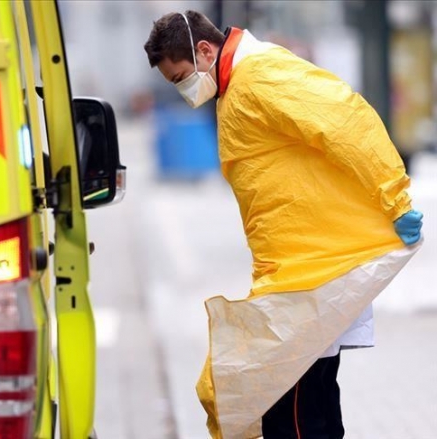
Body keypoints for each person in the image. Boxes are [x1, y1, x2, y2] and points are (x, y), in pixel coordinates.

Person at [143, 10, 424, 439]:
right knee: (311, 407)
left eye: (181, 77)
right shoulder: (239, 83)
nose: (183, 90)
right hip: (297, 272)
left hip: (305, 276)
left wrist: (395, 198)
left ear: (204, 50)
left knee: (292, 415)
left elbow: (345, 122)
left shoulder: (260, 77)